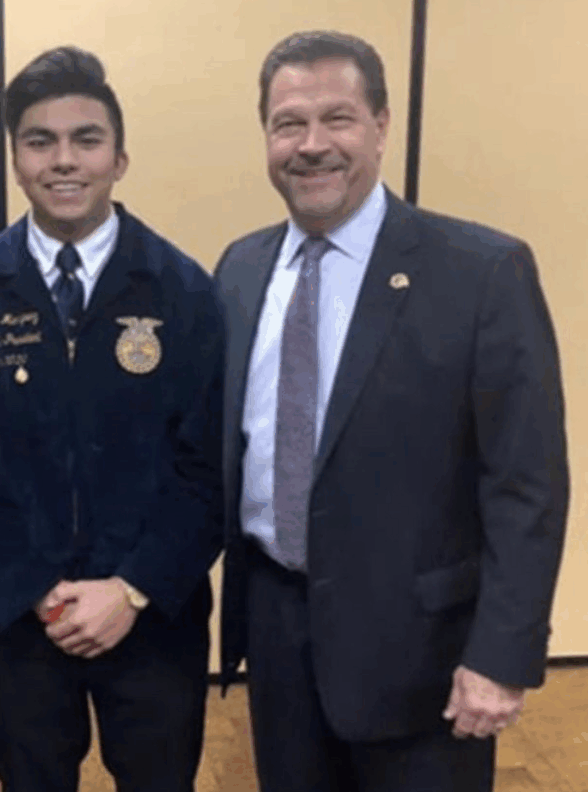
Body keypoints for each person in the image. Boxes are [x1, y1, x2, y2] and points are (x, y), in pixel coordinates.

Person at [215, 30, 569, 792]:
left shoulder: (481, 273)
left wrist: (501, 656)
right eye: (288, 124)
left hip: (426, 659)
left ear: (381, 125)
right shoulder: (240, 269)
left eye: (337, 118)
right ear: (266, 137)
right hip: (278, 632)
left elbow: (526, 484)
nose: (311, 145)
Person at [0, 46, 226, 792]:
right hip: (21, 619)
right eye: (39, 141)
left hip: (152, 615)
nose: (64, 161)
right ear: (16, 160)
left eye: (86, 139)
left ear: (120, 158)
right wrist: (36, 590)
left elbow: (209, 462)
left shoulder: (184, 291)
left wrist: (133, 588)